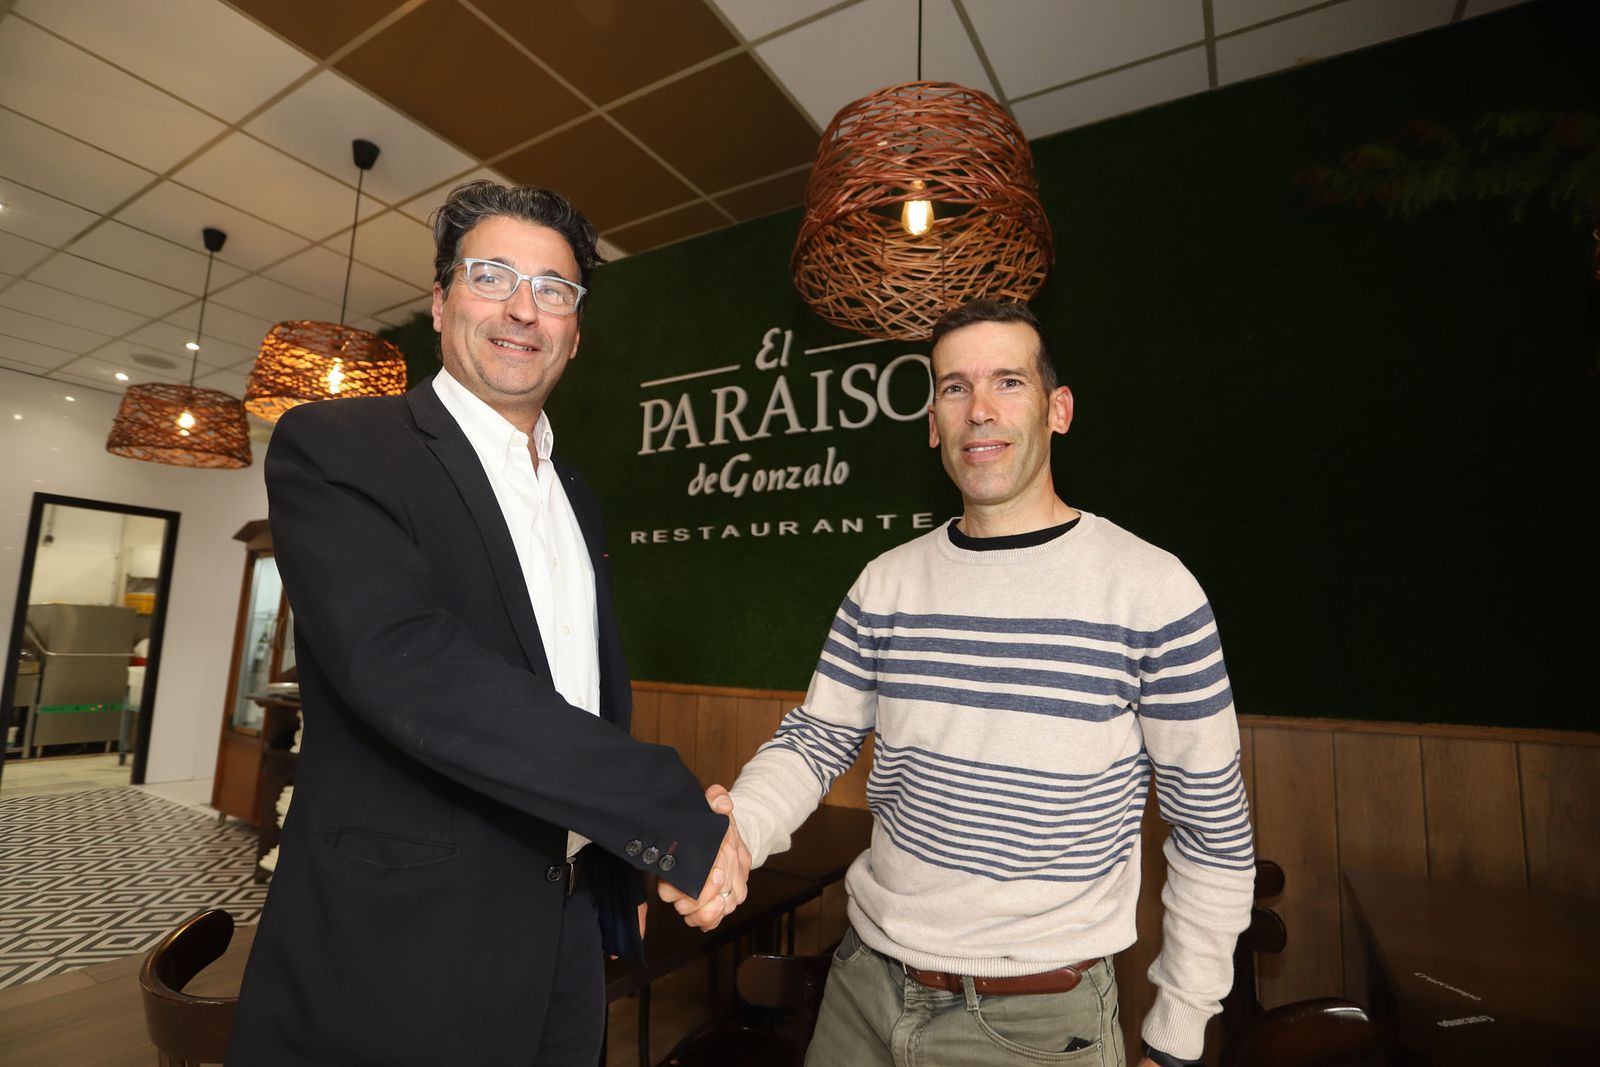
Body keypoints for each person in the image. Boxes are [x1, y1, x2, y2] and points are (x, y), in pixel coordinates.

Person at [229, 181, 749, 1066]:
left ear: (575, 333)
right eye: (492, 275)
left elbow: (580, 697)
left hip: (567, 936)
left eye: (553, 289)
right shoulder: (338, 446)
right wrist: (668, 812)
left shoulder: (577, 494)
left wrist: (617, 872)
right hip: (402, 948)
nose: (522, 307)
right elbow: (411, 666)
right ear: (440, 304)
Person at [667, 300, 1254, 1066]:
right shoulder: (885, 582)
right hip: (860, 992)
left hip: (1038, 1023)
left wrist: (1176, 1035)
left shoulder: (1153, 589)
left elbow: (1213, 832)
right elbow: (814, 742)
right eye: (954, 387)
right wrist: (738, 830)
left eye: (1008, 381)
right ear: (932, 422)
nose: (979, 409)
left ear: (1058, 409)